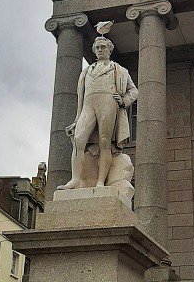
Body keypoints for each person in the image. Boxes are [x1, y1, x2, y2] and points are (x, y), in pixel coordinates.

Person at [59, 30, 138, 190]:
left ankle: (101, 181)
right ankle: (75, 180)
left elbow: (134, 91)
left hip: (108, 103)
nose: (100, 50)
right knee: (79, 140)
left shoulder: (119, 70)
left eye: (103, 47)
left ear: (110, 50)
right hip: (88, 105)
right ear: (94, 50)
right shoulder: (86, 71)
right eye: (98, 47)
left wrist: (123, 100)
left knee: (104, 142)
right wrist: (76, 119)